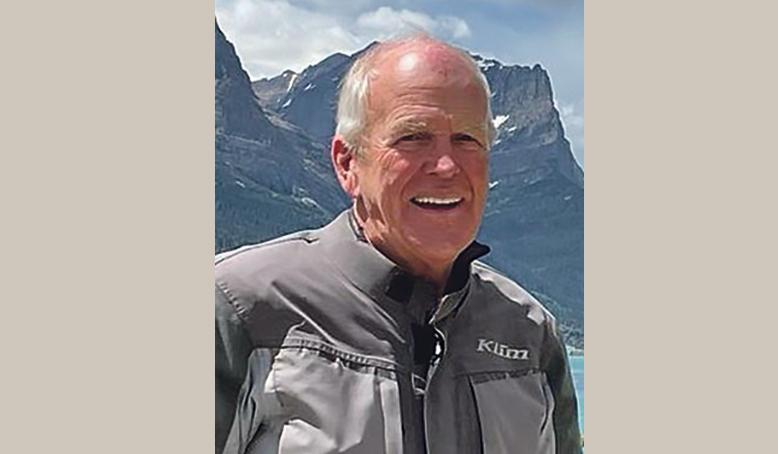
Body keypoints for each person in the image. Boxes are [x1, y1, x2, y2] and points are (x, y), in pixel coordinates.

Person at [215, 34, 582, 454]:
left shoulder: (530, 333)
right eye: (412, 137)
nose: (446, 166)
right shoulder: (239, 309)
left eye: (467, 139)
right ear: (348, 163)